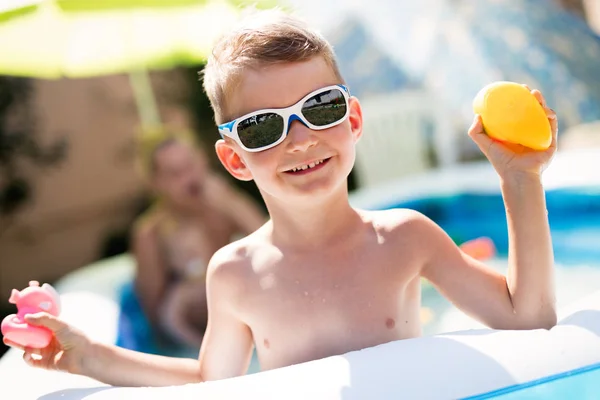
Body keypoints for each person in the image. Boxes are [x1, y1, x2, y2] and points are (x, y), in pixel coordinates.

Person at [3, 9, 557, 387]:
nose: (301, 139)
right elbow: (212, 383)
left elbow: (528, 318)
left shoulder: (406, 238)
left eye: (319, 108)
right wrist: (89, 355)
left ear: (353, 119)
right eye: (265, 127)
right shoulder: (236, 273)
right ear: (235, 159)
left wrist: (520, 181)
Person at [121, 127, 267, 351]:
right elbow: (155, 315)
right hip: (192, 328)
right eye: (174, 174)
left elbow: (273, 244)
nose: (188, 179)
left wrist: (232, 204)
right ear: (156, 183)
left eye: (191, 166)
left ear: (203, 161)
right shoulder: (152, 233)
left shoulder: (222, 206)